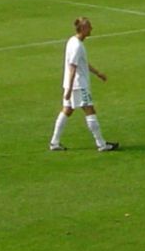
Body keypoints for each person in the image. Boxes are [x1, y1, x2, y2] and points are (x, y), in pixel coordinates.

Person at [49, 17, 119, 151]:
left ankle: (54, 142)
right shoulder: (77, 46)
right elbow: (73, 67)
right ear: (82, 29)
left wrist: (97, 73)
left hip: (71, 85)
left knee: (67, 110)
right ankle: (101, 144)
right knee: (90, 111)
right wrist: (69, 89)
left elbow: (82, 63)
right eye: (89, 27)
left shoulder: (72, 41)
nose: (91, 29)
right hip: (78, 86)